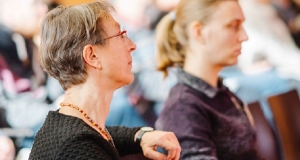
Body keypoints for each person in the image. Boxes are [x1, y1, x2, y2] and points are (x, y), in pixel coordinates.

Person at [28, 1, 181, 160]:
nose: (132, 45)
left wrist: (140, 136)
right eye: (121, 36)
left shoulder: (69, 126)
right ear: (92, 56)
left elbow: (100, 134)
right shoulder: (76, 148)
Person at [155, 0, 262, 159]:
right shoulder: (183, 109)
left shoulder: (219, 92)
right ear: (198, 32)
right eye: (233, 25)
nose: (244, 36)